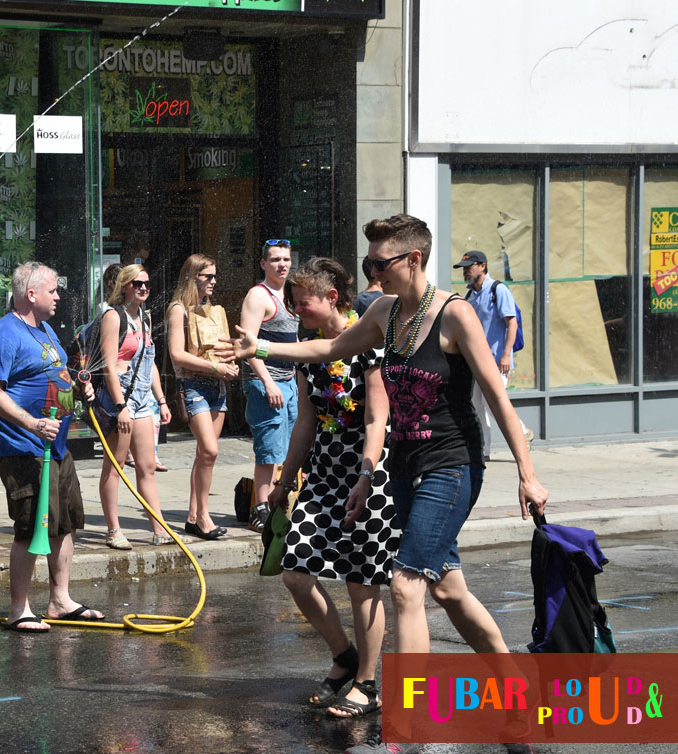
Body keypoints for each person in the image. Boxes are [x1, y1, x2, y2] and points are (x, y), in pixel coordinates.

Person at [217, 214, 548, 754]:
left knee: (405, 585)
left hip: (452, 464)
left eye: (379, 263)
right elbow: (328, 352)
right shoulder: (385, 313)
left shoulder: (455, 315)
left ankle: (409, 723)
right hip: (404, 467)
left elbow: (497, 397)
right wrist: (261, 350)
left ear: (413, 259)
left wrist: (528, 476)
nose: (371, 272)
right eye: (368, 263)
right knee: (449, 588)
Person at [270, 257, 398, 719]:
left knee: (362, 581)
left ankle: (366, 681)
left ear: (330, 298)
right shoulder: (308, 353)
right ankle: (343, 655)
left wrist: (367, 474)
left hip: (369, 473)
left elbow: (375, 417)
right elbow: (306, 420)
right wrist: (285, 481)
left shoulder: (369, 346)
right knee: (296, 571)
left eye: (302, 303)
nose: (296, 311)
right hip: (323, 474)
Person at [0, 261, 100, 632]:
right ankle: (19, 609)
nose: (59, 296)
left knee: (66, 522)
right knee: (33, 526)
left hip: (56, 446)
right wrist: (32, 423)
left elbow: (56, 376)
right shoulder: (3, 335)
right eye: (53, 290)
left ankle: (60, 600)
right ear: (31, 294)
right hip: (22, 446)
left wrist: (79, 389)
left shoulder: (45, 329)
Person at [95, 265, 173, 549]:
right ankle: (113, 530)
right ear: (125, 285)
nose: (143, 288)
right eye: (137, 283)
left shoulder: (144, 317)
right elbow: (108, 367)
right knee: (114, 467)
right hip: (120, 401)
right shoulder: (113, 317)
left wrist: (161, 400)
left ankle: (159, 528)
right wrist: (120, 407)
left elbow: (149, 361)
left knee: (147, 466)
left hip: (142, 401)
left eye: (147, 284)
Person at [166, 254, 238, 540]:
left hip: (217, 384)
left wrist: (231, 359)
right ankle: (204, 515)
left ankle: (194, 516)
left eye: (214, 276)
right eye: (207, 276)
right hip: (193, 385)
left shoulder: (212, 310)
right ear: (192, 277)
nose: (213, 281)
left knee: (204, 456)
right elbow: (177, 355)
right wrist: (215, 366)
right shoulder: (178, 310)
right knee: (210, 450)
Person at [237, 238, 297, 534]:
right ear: (263, 264)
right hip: (266, 383)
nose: (282, 264)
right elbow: (247, 347)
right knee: (269, 450)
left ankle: (278, 506)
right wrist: (268, 382)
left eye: (285, 259)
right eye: (275, 259)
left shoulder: (290, 295)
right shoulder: (258, 296)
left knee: (287, 449)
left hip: (289, 382)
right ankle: (260, 511)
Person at [454, 250, 533, 459]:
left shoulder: (498, 290)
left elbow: (512, 322)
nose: (466, 271)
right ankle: (483, 450)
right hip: (477, 361)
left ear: (483, 266)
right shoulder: (470, 295)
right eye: (464, 268)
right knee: (477, 405)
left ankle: (523, 432)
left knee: (494, 402)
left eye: (469, 266)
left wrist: (506, 355)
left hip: (497, 361)